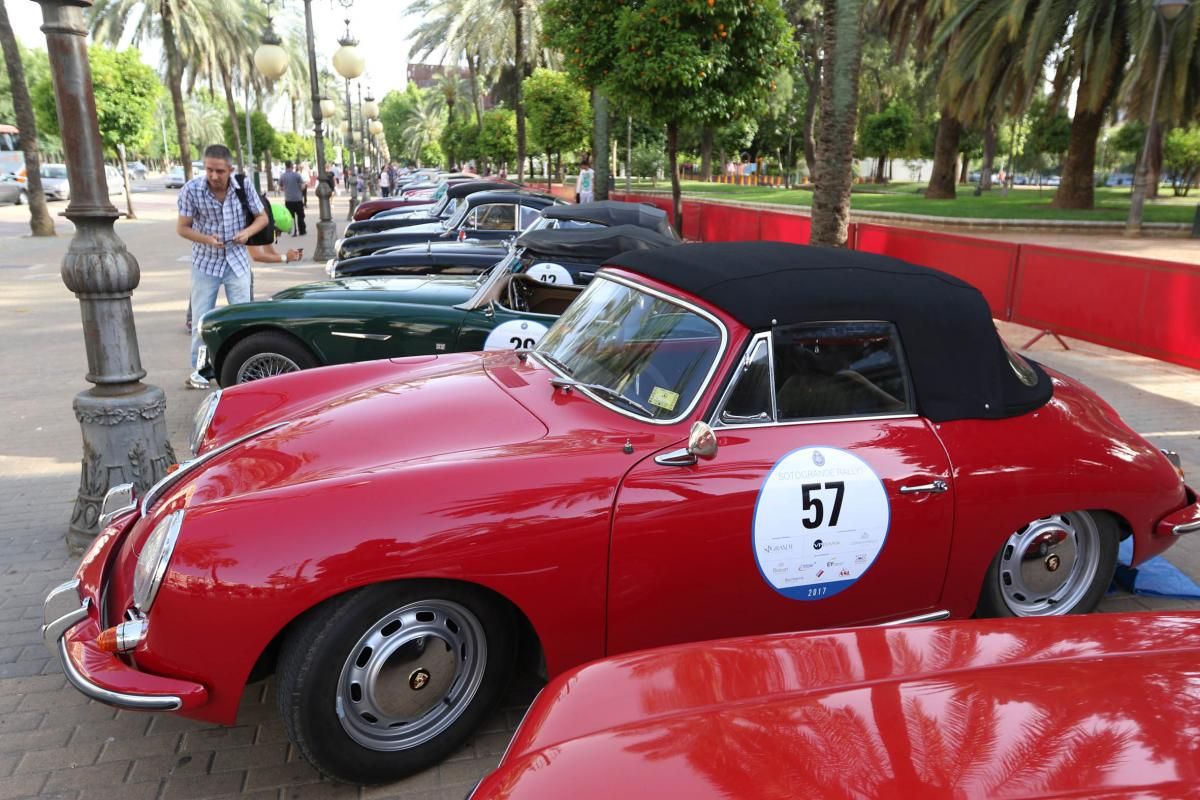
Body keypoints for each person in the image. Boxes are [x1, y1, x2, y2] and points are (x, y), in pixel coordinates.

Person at [177, 143, 268, 389]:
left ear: (230, 169)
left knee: (242, 319)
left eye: (219, 171)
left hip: (237, 263)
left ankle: (245, 366)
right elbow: (182, 227)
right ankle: (199, 371)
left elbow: (262, 218)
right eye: (209, 170)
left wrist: (246, 233)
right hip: (205, 263)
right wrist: (206, 239)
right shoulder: (191, 190)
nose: (214, 176)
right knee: (202, 319)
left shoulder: (243, 185)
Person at [279, 161, 306, 237]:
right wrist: (301, 188)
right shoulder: (297, 175)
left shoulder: (283, 176)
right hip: (298, 198)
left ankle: (293, 231)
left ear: (285, 166)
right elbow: (302, 185)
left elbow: (281, 187)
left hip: (288, 199)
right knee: (300, 215)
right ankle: (302, 230)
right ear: (291, 166)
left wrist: (285, 188)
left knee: (290, 216)